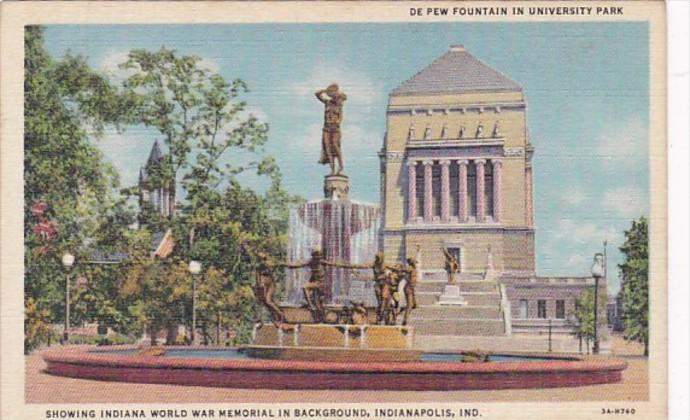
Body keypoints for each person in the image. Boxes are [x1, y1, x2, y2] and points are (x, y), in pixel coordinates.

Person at [277, 249, 341, 323]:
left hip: (321, 284)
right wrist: (285, 264)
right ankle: (321, 318)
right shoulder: (311, 262)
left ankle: (311, 306)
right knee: (317, 302)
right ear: (313, 256)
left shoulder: (322, 262)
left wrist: (353, 266)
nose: (317, 258)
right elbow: (298, 265)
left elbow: (335, 264)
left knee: (305, 287)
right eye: (316, 256)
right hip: (316, 283)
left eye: (319, 256)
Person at [315, 84, 347, 175]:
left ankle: (340, 166)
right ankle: (332, 169)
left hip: (335, 128)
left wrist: (337, 122)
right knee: (328, 148)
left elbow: (341, 116)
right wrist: (326, 90)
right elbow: (317, 94)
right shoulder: (327, 102)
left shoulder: (339, 104)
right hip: (326, 128)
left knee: (335, 146)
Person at [253, 252, 286, 325]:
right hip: (263, 285)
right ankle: (265, 318)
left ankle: (280, 314)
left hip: (270, 284)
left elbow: (277, 267)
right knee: (262, 301)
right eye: (260, 259)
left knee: (268, 301)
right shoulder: (259, 268)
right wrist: (259, 286)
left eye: (263, 259)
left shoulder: (269, 265)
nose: (262, 261)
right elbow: (258, 278)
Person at [399, 257, 419, 326]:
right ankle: (405, 320)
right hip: (408, 288)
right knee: (410, 305)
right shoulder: (410, 268)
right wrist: (399, 269)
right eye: (414, 262)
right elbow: (404, 270)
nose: (415, 263)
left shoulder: (414, 268)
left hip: (412, 289)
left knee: (414, 305)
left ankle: (403, 310)